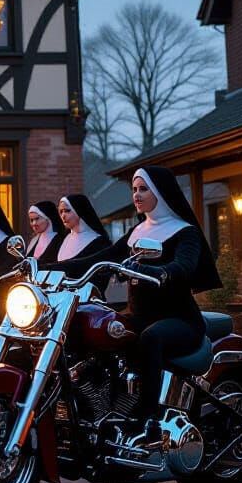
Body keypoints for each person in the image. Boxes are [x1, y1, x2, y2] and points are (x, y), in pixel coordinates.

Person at [58, 167, 218, 435]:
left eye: (143, 188)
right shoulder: (137, 231)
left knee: (151, 337)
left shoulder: (184, 232)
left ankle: (148, 418)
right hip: (140, 316)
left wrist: (161, 270)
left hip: (180, 320)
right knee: (92, 326)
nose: (137, 194)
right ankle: (99, 409)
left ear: (160, 192)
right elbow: (100, 258)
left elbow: (185, 265)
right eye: (134, 189)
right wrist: (45, 266)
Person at [57, 194, 112, 291]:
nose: (63, 215)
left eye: (67, 211)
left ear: (79, 210)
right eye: (61, 212)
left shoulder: (100, 243)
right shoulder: (65, 239)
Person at [26, 201, 63, 266]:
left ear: (48, 218)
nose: (34, 223)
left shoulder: (60, 240)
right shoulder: (34, 240)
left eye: (37, 219)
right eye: (31, 220)